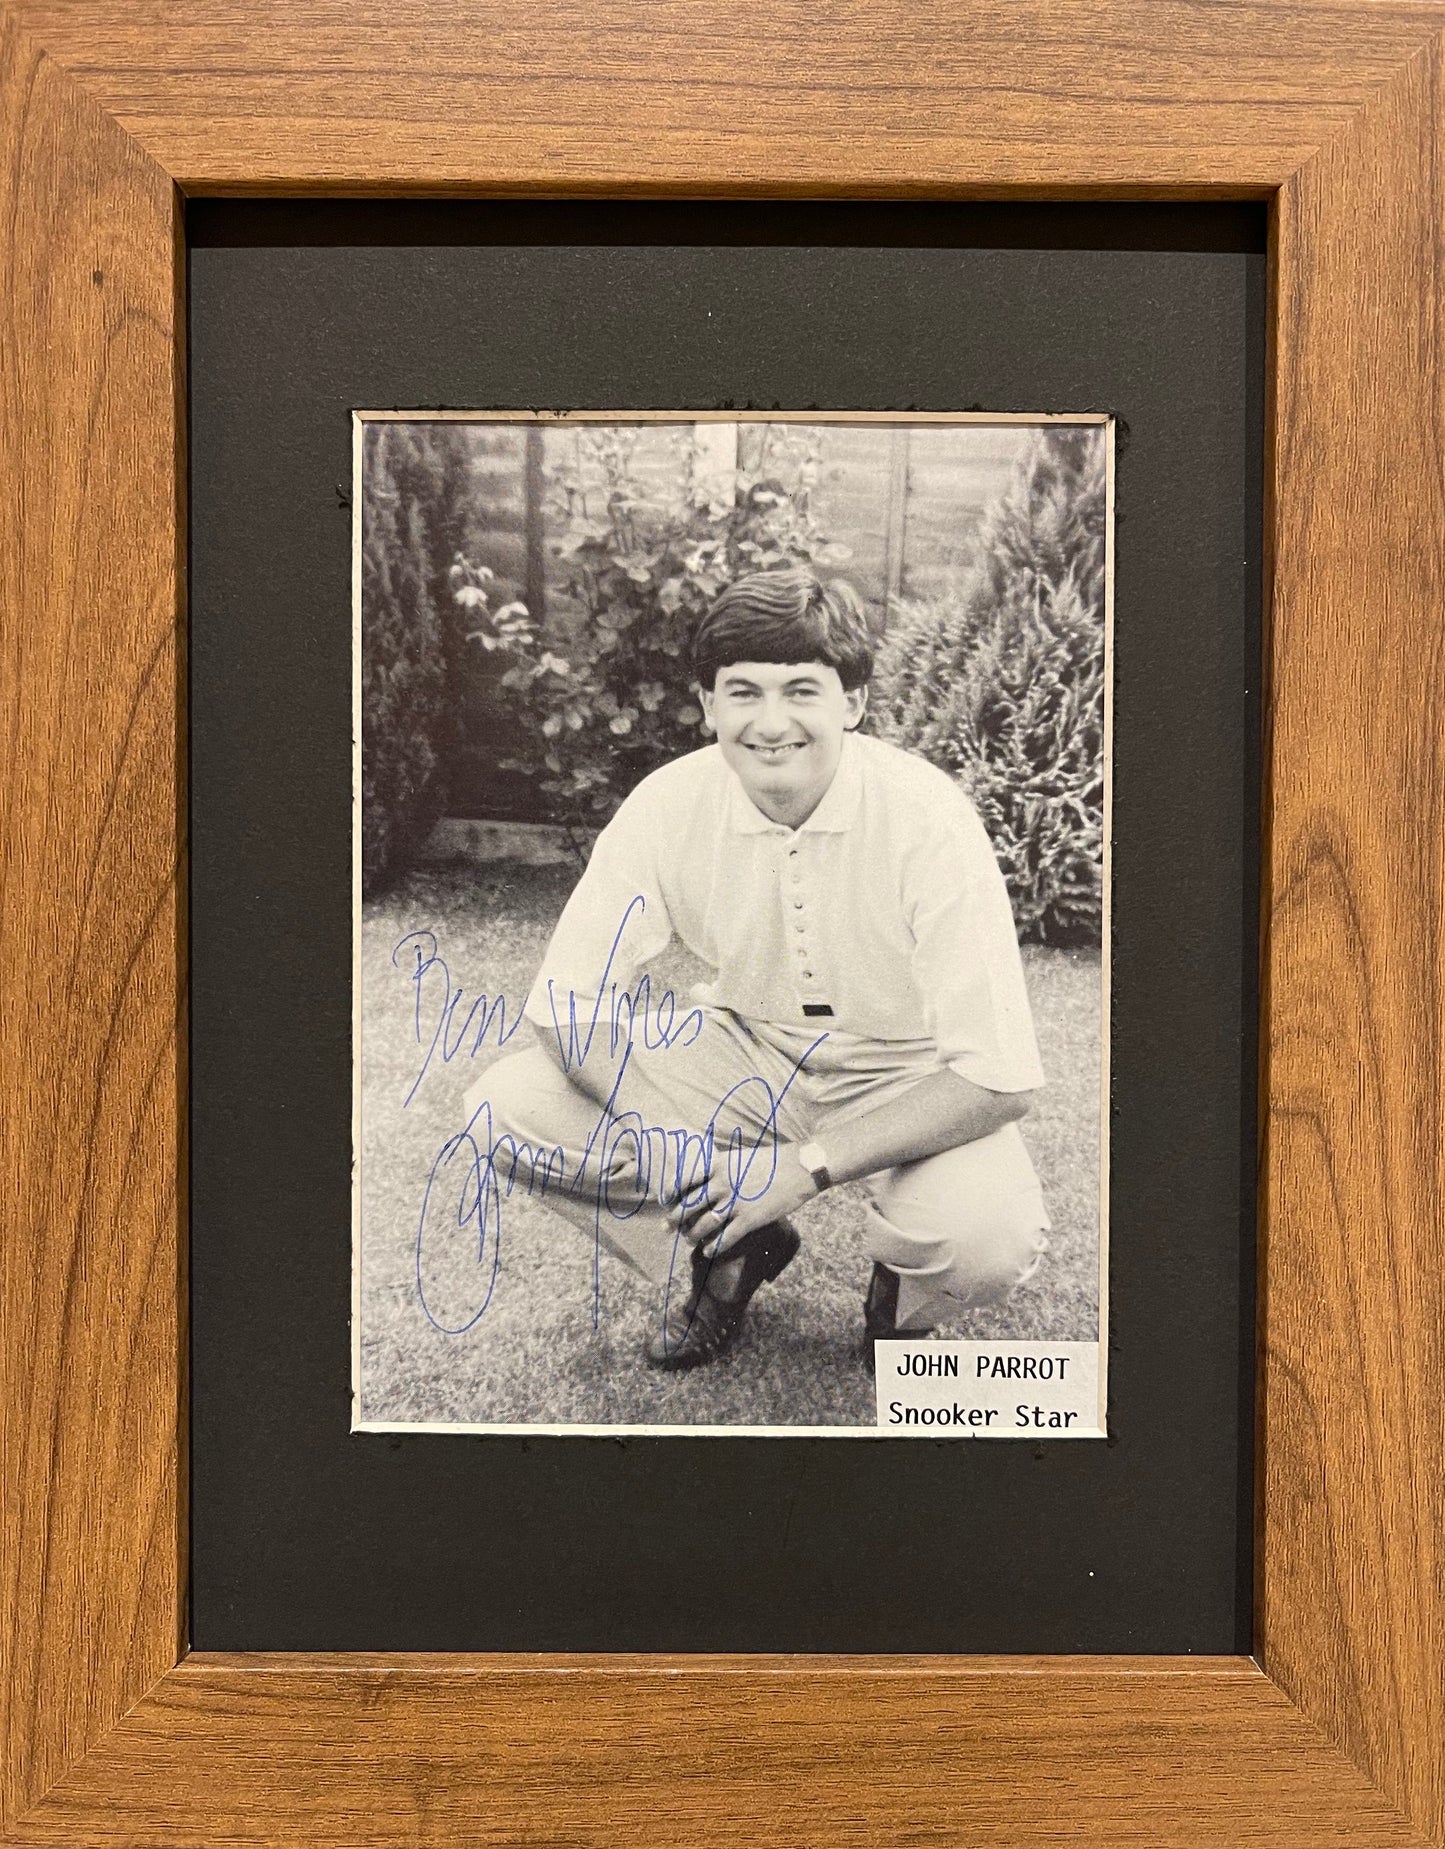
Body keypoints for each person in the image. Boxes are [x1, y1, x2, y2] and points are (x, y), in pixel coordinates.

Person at [470, 567, 1049, 1372]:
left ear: (852, 702)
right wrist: (658, 1128)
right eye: (742, 692)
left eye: (801, 690)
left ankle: (900, 1296)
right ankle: (736, 1244)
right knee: (505, 1107)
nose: (770, 722)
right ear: (707, 705)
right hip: (746, 1048)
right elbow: (566, 1002)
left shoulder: (929, 821)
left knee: (983, 1235)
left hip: (906, 1068)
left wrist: (801, 1167)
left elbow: (1000, 1079)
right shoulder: (667, 804)